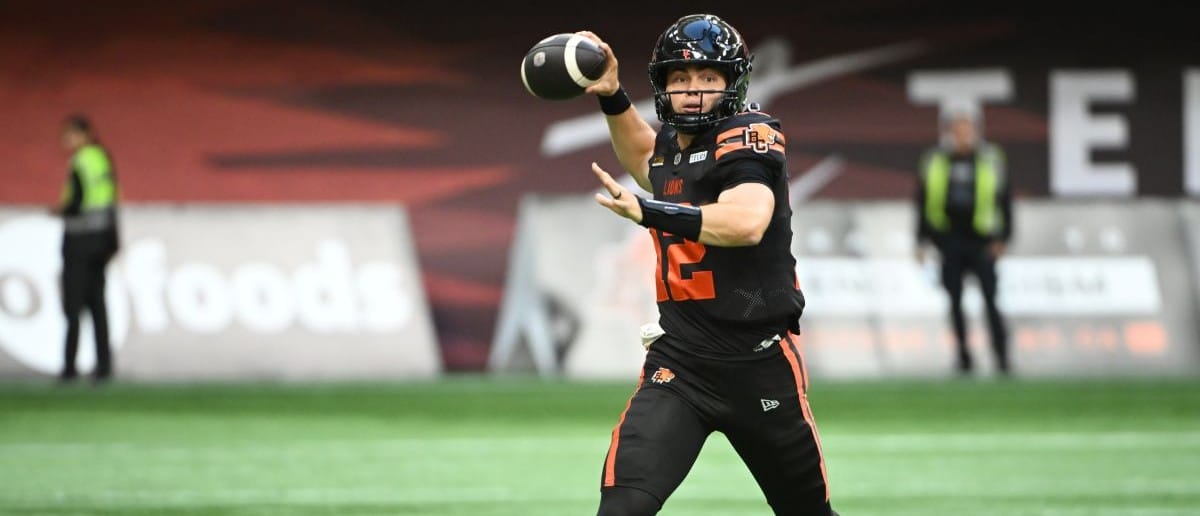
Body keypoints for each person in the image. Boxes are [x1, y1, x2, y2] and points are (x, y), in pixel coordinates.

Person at [578, 14, 835, 515]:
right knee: (622, 508)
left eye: (707, 79)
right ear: (663, 85)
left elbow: (746, 222)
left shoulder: (750, 136)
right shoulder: (672, 147)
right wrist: (610, 94)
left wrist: (646, 209)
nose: (692, 91)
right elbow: (648, 160)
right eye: (680, 78)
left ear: (731, 85)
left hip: (758, 364)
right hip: (681, 366)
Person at [914, 111, 1013, 376]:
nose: (962, 136)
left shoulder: (990, 160)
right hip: (949, 241)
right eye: (957, 130)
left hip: (982, 241)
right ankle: (964, 357)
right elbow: (922, 201)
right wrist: (921, 240)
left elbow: (1004, 199)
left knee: (991, 300)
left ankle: (1002, 357)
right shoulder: (935, 161)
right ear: (948, 134)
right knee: (954, 301)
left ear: (976, 132)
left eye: (967, 130)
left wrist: (1004, 238)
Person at [50, 114, 121, 383]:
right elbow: (110, 200)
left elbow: (77, 203)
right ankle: (103, 366)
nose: (66, 140)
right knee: (97, 304)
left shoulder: (80, 161)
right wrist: (114, 241)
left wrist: (59, 211)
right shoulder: (102, 158)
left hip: (80, 240)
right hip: (103, 240)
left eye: (70, 134)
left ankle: (69, 367)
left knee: (73, 305)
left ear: (84, 134)